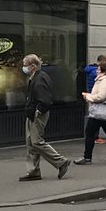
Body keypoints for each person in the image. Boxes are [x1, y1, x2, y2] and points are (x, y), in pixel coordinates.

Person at [19, 54, 72, 182]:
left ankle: (61, 161)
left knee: (36, 142)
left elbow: (45, 99)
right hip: (33, 113)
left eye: (25, 65)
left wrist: (38, 110)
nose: (23, 67)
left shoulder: (40, 78)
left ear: (33, 66)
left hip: (37, 114)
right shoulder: (36, 77)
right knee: (31, 143)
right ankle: (33, 171)